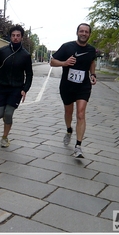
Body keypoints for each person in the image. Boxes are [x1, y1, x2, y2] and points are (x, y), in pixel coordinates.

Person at [50, 23, 97, 158]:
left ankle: (78, 146)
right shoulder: (67, 47)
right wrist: (64, 63)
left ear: (89, 34)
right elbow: (52, 62)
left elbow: (91, 62)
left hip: (83, 86)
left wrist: (92, 75)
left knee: (81, 114)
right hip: (67, 86)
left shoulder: (91, 50)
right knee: (68, 112)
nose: (83, 34)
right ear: (77, 33)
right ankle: (69, 129)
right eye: (81, 31)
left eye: (86, 32)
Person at [0, 25, 33, 148]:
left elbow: (29, 74)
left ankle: (4, 137)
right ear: (10, 37)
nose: (15, 38)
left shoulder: (25, 55)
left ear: (22, 37)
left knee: (8, 113)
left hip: (16, 89)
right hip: (2, 88)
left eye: (18, 36)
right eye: (13, 35)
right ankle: (7, 122)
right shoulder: (2, 51)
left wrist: (25, 89)